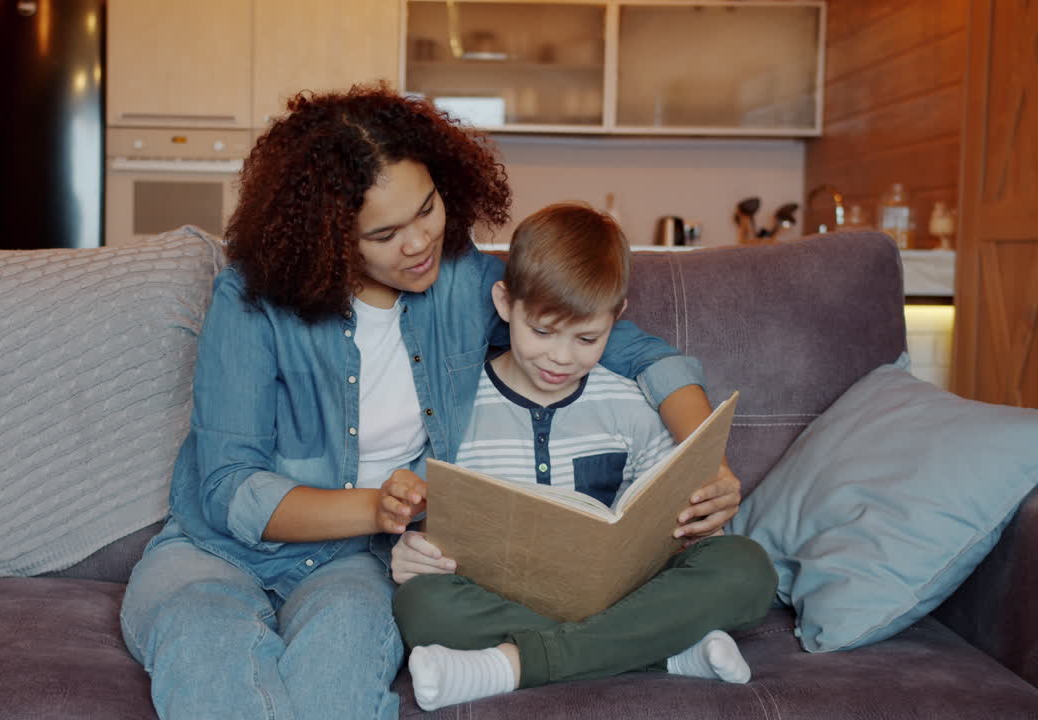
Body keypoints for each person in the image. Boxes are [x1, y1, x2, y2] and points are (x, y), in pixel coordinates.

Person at [118, 86, 743, 720]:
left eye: (428, 209)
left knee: (335, 688)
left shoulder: (464, 282)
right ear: (328, 236)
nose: (420, 244)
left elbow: (632, 349)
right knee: (206, 650)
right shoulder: (251, 301)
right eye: (385, 233)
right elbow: (229, 489)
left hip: (352, 564)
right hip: (211, 552)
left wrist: (703, 460)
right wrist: (378, 506)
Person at [390, 203, 778, 712]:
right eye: (543, 332)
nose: (561, 357)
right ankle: (662, 654)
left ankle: (509, 665)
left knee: (747, 569)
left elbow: (674, 519)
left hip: (625, 595)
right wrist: (412, 550)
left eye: (587, 338)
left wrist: (698, 523)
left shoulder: (628, 404)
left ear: (614, 321)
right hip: (506, 598)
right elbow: (425, 522)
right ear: (505, 304)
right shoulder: (457, 409)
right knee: (421, 605)